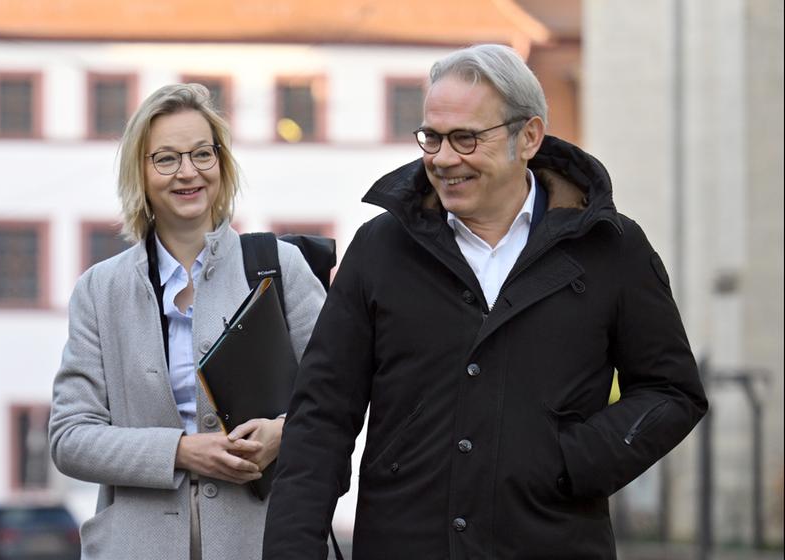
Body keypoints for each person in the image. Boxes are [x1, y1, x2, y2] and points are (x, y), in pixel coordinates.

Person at [264, 44, 708, 559]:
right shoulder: (380, 249)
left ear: (529, 137)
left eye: (466, 138)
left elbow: (671, 391)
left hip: (551, 543)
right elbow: (321, 417)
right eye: (432, 137)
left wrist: (575, 461)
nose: (443, 159)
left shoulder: (611, 248)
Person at [48, 83, 325, 560]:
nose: (188, 172)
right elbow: (70, 438)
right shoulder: (100, 289)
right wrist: (180, 451)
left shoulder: (282, 267)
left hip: (263, 541)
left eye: (202, 153)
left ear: (221, 162)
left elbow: (336, 397)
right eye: (166, 159)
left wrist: (282, 433)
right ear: (139, 172)